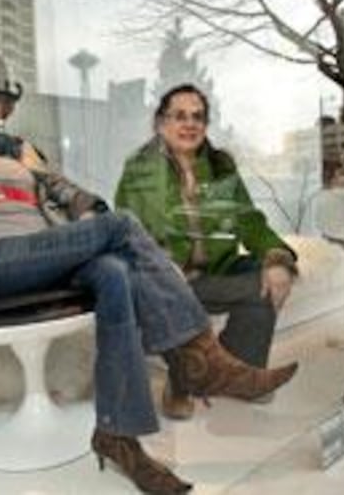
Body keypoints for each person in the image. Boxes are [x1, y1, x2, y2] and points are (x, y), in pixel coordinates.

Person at [0, 52, 298, 494]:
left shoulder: (22, 150)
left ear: (6, 104)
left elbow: (76, 199)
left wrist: (40, 171)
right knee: (121, 225)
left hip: (43, 256)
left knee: (113, 271)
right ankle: (199, 358)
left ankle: (119, 435)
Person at [115, 84, 299, 420]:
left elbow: (248, 220)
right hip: (170, 279)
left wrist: (276, 257)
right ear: (160, 123)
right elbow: (127, 231)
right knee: (164, 289)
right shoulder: (139, 169)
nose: (190, 124)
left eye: (198, 117)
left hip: (218, 271)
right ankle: (184, 377)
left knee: (270, 276)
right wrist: (161, 265)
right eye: (179, 116)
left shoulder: (220, 166)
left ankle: (230, 368)